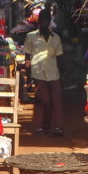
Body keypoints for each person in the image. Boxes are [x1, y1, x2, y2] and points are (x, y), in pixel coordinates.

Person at [24, 7, 64, 136]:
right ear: (39, 21)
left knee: (57, 101)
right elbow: (27, 58)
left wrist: (62, 74)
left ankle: (58, 127)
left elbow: (60, 57)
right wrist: (29, 77)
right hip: (38, 73)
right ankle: (44, 127)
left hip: (54, 73)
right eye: (43, 20)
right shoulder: (30, 37)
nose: (45, 22)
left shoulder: (56, 38)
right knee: (45, 101)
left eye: (47, 20)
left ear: (50, 21)